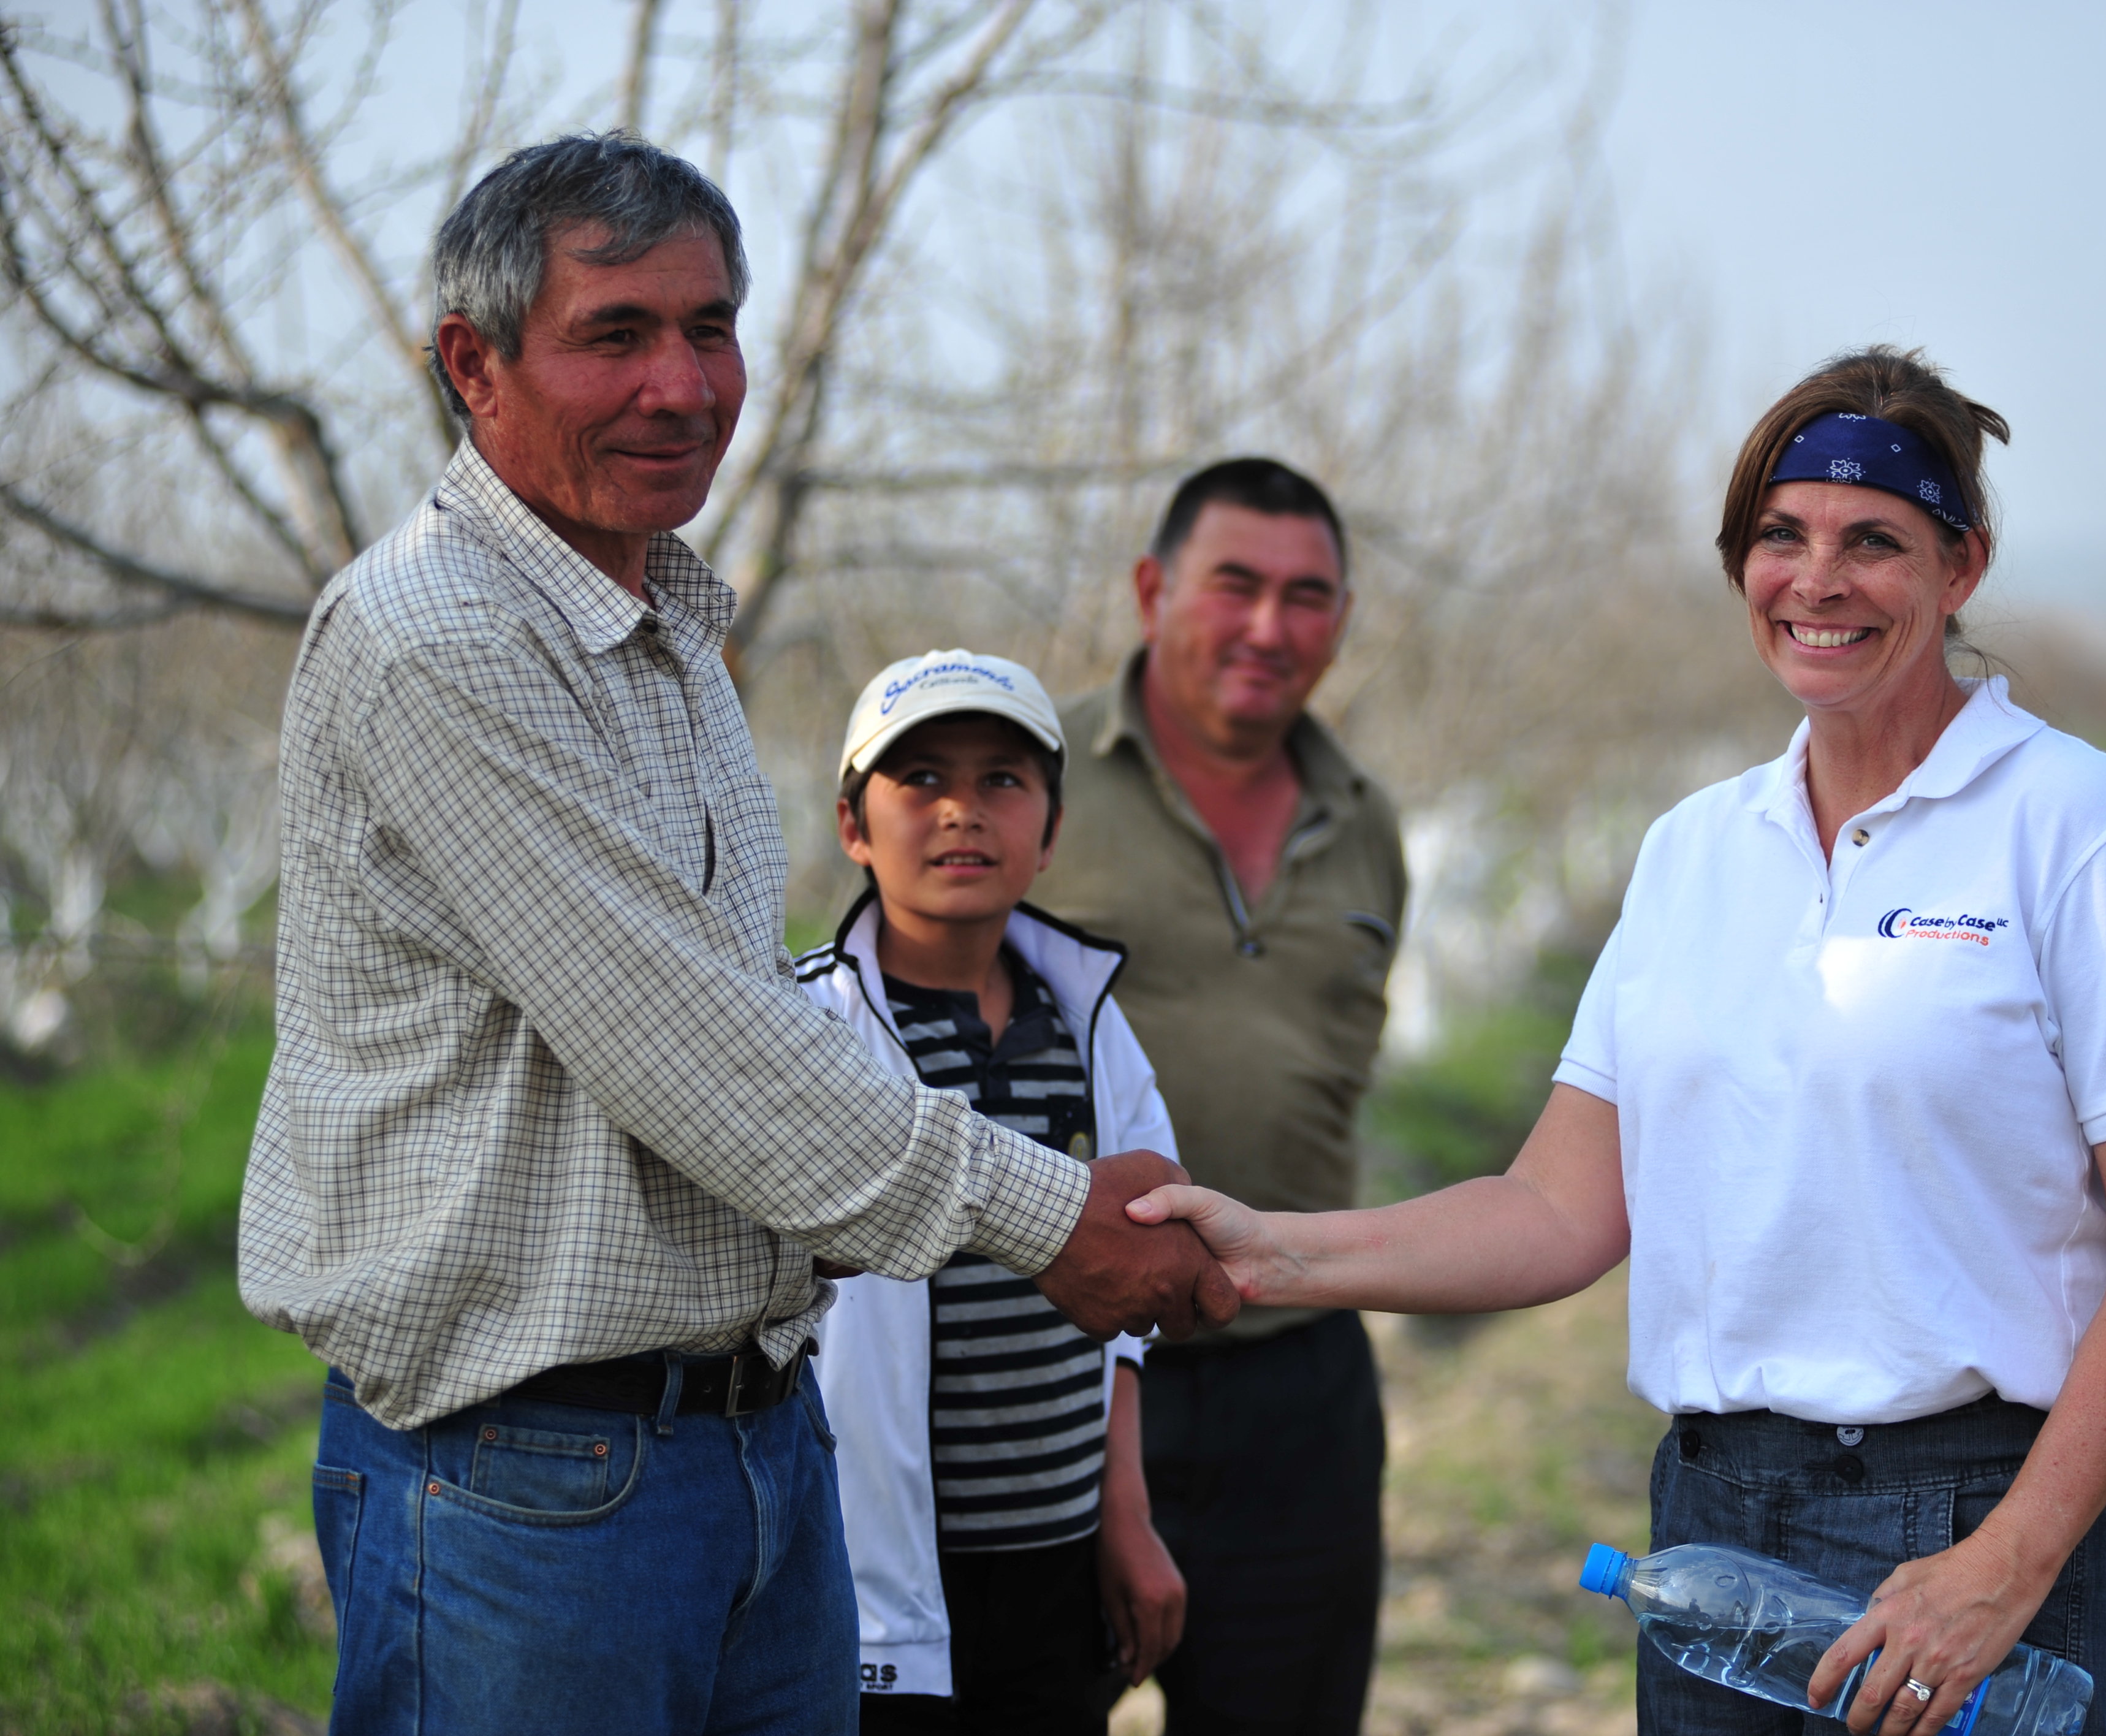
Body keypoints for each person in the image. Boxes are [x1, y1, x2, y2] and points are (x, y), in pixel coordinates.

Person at [238, 135, 1233, 1736]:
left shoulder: (668, 635)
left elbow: (731, 1033)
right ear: (471, 367)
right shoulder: (436, 638)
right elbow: (695, 1058)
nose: (682, 385)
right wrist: (1057, 1219)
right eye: (615, 334)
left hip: (755, 1449)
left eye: (710, 328)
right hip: (530, 1483)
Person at [1127, 349, 2106, 1736]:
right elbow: (1553, 1208)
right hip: (1718, 1524)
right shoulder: (1693, 850)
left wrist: (2005, 1564)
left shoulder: (2079, 827)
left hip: (1972, 1518)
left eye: (1874, 543)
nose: (1818, 580)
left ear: (1960, 567)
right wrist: (1274, 1249)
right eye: (1781, 537)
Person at [1026, 458, 1406, 1734]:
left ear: (1340, 619)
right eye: (1233, 585)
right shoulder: (1029, 777)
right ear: (1151, 589)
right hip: (1049, 1369)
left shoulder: (1367, 822)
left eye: (1306, 597)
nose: (1268, 627)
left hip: (1297, 1382)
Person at [794, 650, 1186, 1732]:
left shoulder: (1090, 1023)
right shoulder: (806, 1032)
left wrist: (1127, 1516)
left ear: (1051, 829)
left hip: (1059, 1558)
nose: (962, 810)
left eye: (1002, 781)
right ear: (853, 826)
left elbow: (1132, 1305)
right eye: (920, 779)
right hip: (870, 1568)